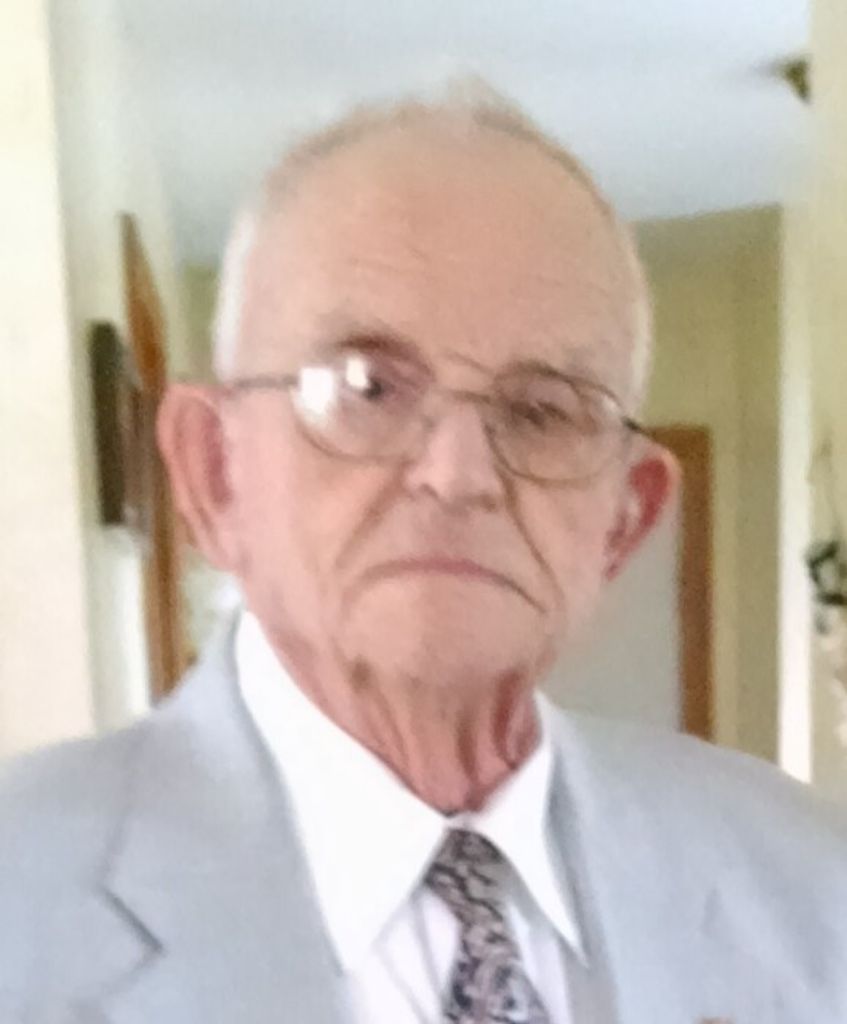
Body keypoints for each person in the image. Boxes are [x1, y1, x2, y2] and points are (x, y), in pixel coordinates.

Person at [2, 87, 846, 1024]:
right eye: (365, 386)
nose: (457, 474)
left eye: (543, 410)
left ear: (623, 521)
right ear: (213, 474)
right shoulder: (21, 900)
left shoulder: (810, 882)